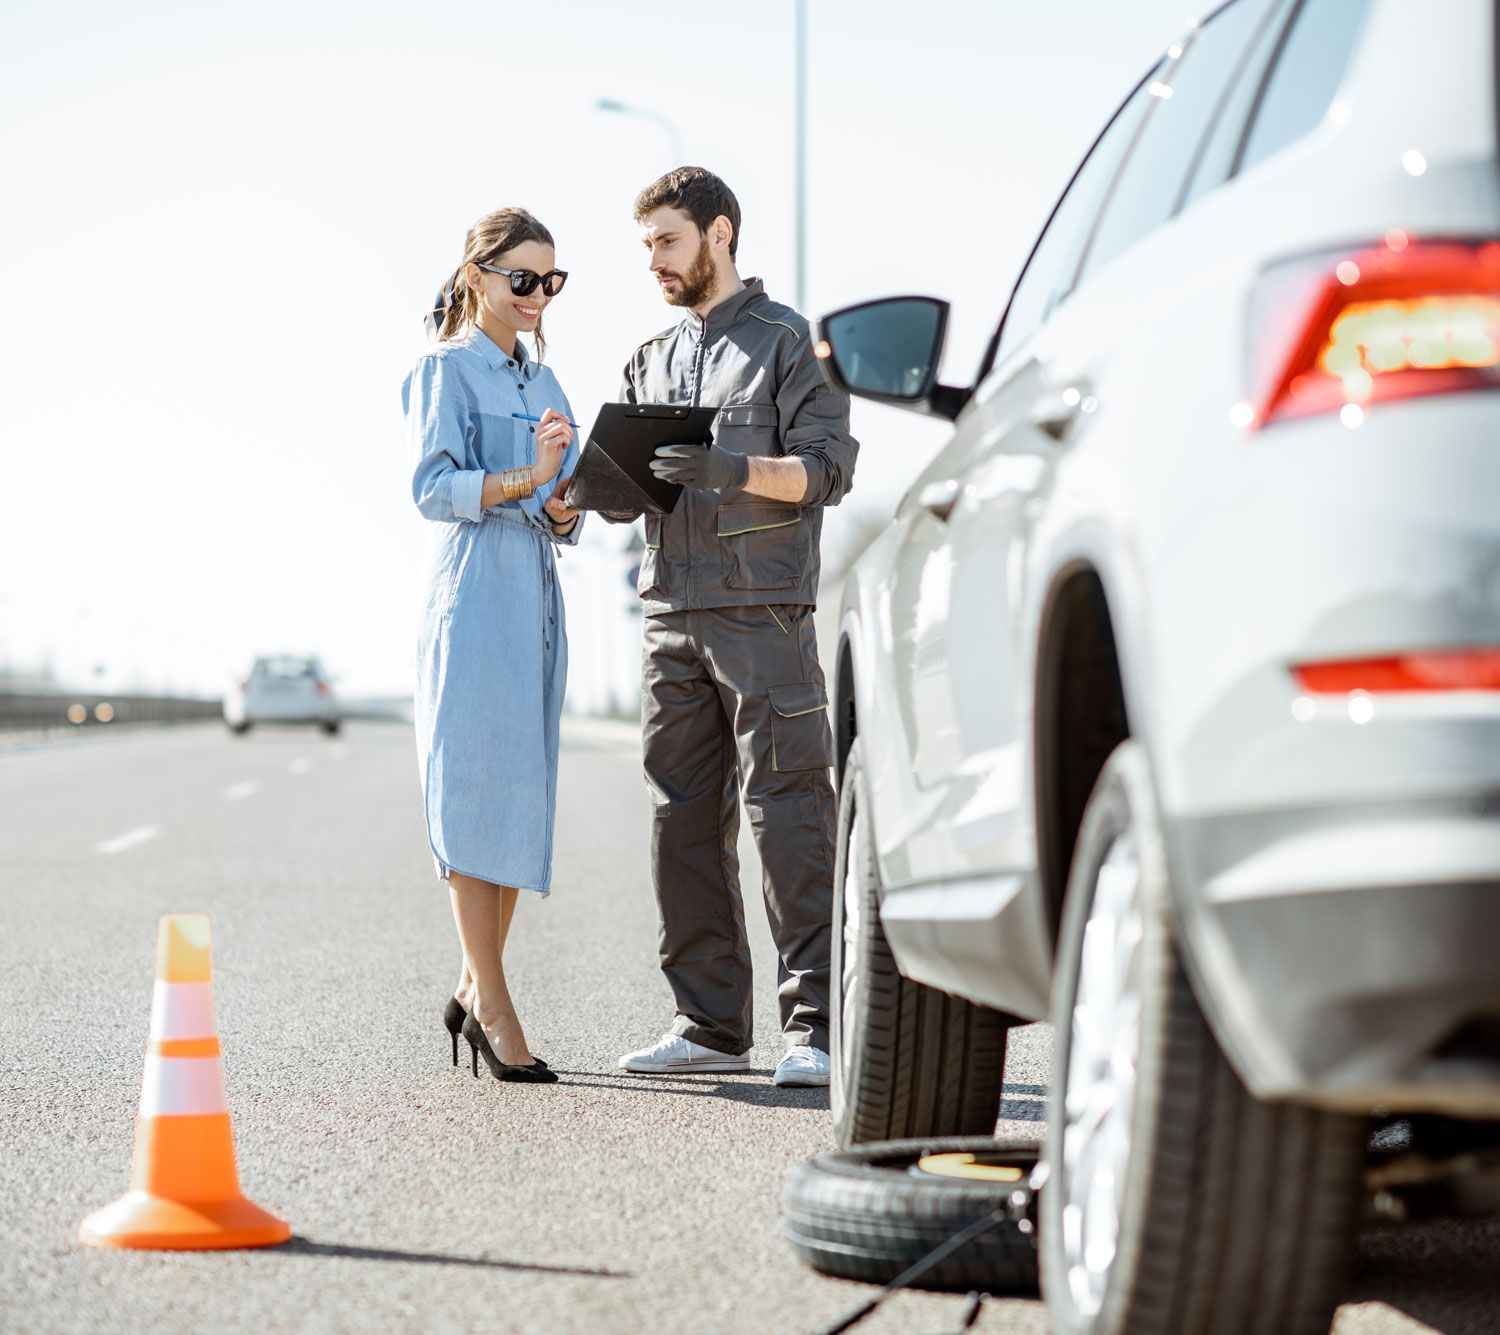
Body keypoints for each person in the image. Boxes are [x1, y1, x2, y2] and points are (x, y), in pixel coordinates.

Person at [606, 168, 859, 1087]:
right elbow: (636, 485)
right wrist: (604, 488)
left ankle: (824, 1026)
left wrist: (735, 469)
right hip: (669, 610)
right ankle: (710, 1026)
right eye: (647, 247)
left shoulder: (792, 343)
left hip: (764, 614)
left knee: (789, 810)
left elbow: (828, 470)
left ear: (719, 234)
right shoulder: (648, 356)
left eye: (667, 242)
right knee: (680, 821)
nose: (655, 262)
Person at [404, 207, 584, 1085]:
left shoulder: (546, 384)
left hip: (536, 593)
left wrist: (563, 502)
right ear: (477, 276)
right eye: (522, 279)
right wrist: (530, 478)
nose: (537, 298)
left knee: (515, 796)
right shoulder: (444, 368)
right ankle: (497, 1004)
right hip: (475, 592)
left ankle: (473, 985)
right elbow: (434, 487)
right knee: (475, 793)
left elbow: (566, 504)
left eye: (550, 282)